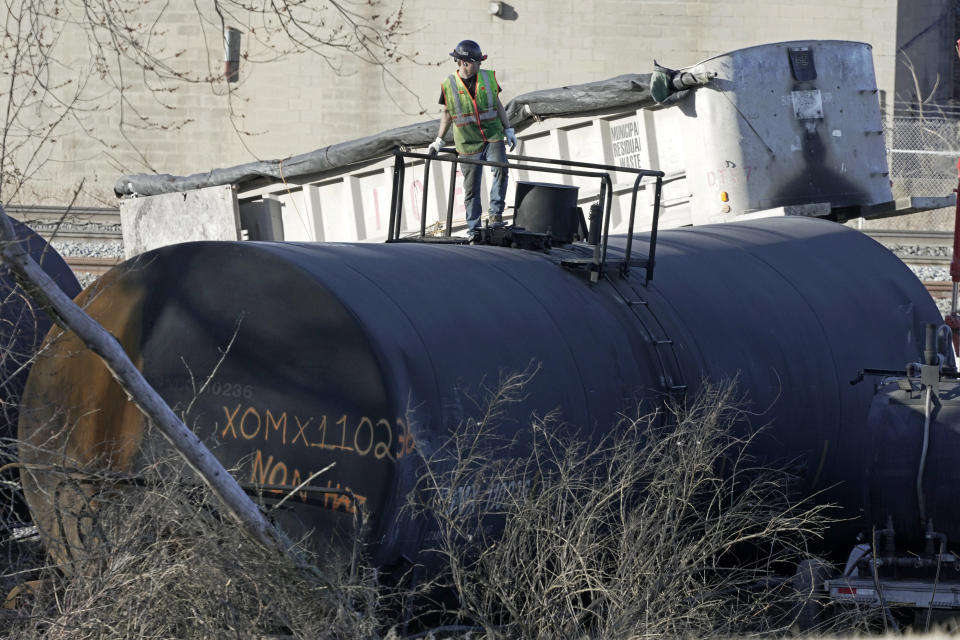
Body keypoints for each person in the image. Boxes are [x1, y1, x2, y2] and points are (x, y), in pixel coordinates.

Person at [428, 40, 517, 236]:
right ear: (465, 63)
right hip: (468, 143)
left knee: (501, 171)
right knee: (471, 189)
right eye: (477, 62)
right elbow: (446, 114)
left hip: (492, 135)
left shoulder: (487, 78)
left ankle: (495, 215)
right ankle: (474, 228)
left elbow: (498, 105)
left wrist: (508, 129)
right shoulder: (449, 85)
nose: (480, 65)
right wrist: (439, 140)